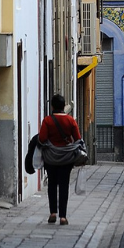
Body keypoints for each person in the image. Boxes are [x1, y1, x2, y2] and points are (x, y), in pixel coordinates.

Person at [38, 94, 82, 225]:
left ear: (52, 106)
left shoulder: (47, 120)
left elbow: (42, 138)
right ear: (64, 106)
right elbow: (78, 138)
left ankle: (53, 212)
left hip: (51, 158)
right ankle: (63, 216)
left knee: (52, 184)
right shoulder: (70, 120)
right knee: (64, 185)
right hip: (66, 158)